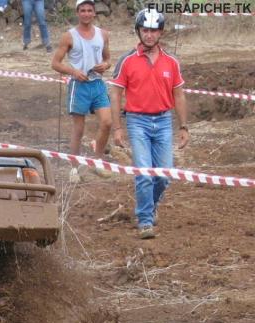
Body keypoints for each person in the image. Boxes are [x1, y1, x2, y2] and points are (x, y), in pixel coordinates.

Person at [109, 8, 189, 240]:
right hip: (137, 122)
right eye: (145, 30)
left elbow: (179, 95)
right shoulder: (126, 61)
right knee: (144, 174)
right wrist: (117, 128)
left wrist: (184, 127)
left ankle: (150, 206)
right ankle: (145, 220)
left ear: (161, 33)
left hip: (163, 121)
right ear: (138, 31)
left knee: (164, 175)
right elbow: (115, 94)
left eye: (154, 30)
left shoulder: (171, 62)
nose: (149, 35)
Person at [51, 0, 111, 183]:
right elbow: (55, 63)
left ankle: (97, 161)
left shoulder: (102, 34)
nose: (86, 14)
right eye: (82, 10)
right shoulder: (69, 36)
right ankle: (74, 168)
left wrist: (105, 65)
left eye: (89, 10)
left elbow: (108, 59)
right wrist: (73, 72)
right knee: (78, 129)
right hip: (79, 86)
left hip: (97, 84)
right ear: (77, 13)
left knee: (107, 123)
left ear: (94, 13)